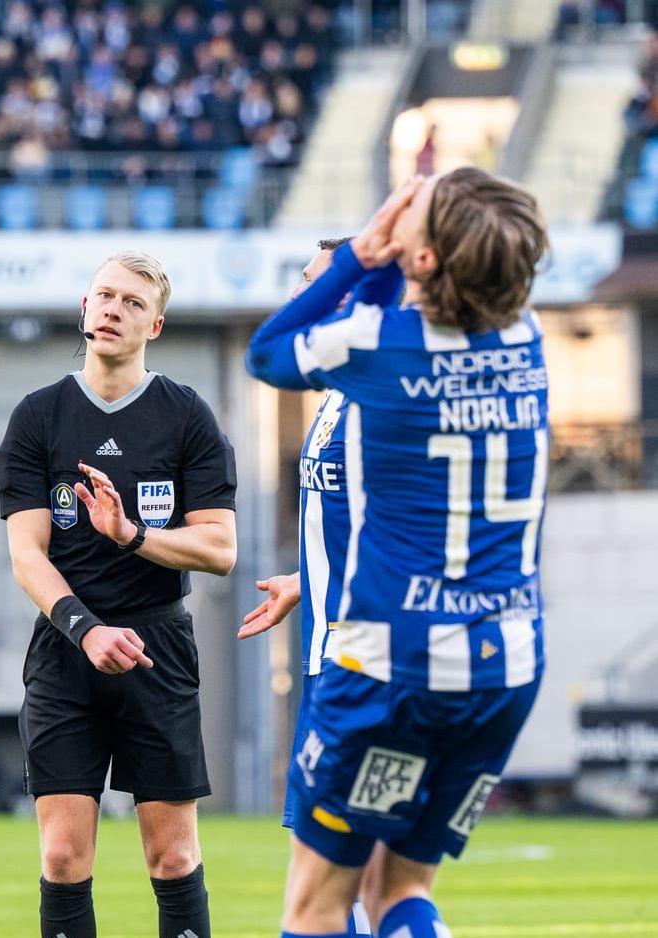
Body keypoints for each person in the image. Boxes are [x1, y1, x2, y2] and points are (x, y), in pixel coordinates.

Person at [245, 168, 550, 938]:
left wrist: (357, 261)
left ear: (420, 261)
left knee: (318, 906)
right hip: (502, 665)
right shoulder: (527, 341)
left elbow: (269, 353)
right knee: (401, 893)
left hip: (389, 669)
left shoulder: (380, 346)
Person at [0, 251, 237, 938]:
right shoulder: (38, 417)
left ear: (154, 326)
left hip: (157, 648)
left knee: (172, 855)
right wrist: (84, 628)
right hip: (66, 648)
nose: (112, 310)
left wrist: (131, 535)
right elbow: (26, 554)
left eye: (132, 302)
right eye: (104, 296)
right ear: (83, 306)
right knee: (64, 855)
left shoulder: (186, 416)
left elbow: (220, 550)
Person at [239, 236, 396, 938]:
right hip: (325, 646)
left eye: (312, 282)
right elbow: (361, 515)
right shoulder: (333, 393)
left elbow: (405, 523)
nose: (297, 296)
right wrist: (310, 577)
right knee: (336, 874)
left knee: (342, 877)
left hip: (362, 660)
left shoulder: (375, 385)